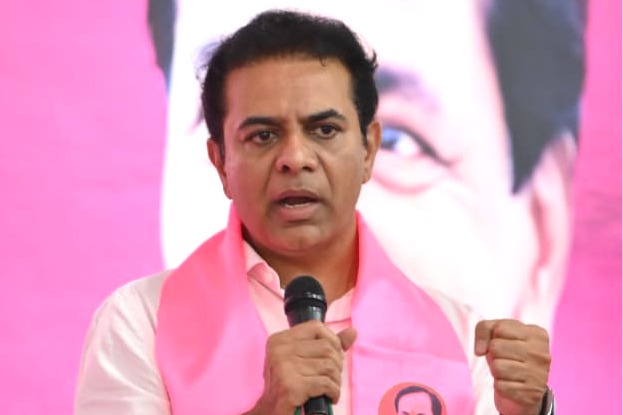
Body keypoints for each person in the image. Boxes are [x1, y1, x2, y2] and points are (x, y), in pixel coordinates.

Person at [75, 9, 555, 415]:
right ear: (220, 162)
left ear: (368, 150)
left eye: (324, 130)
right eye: (263, 135)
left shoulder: (460, 338)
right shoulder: (141, 322)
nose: (295, 158)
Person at [156, 0, 586, 331]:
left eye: (397, 141)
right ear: (216, 157)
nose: (299, 168)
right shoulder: (133, 328)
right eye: (258, 133)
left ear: (543, 235)